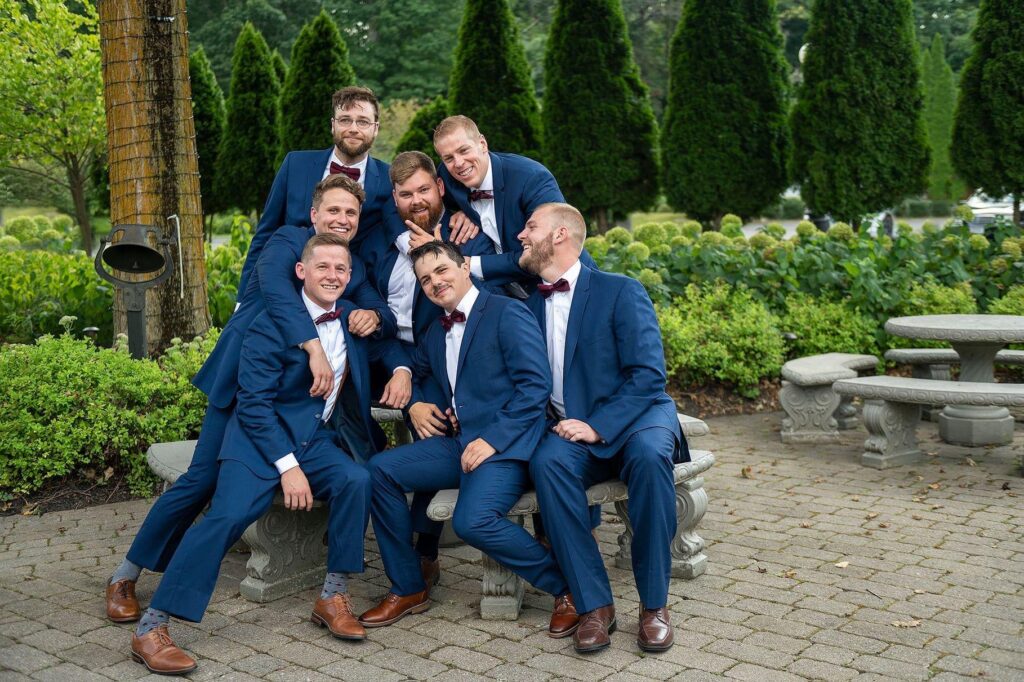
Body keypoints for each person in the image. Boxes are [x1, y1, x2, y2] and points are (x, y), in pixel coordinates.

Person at [105, 175, 400, 625]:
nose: (341, 219)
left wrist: (372, 314)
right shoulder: (288, 241)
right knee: (201, 480)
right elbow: (280, 296)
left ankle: (330, 592)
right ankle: (126, 575)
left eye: (350, 213)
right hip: (246, 383)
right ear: (314, 214)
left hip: (292, 399)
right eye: (333, 210)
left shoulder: (345, 265)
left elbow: (374, 305)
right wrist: (313, 346)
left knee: (344, 476)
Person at [359, 242, 579, 640]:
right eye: (426, 279)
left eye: (442, 270)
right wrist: (418, 403)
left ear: (464, 268)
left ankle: (567, 588)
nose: (435, 282)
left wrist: (492, 440)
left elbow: (535, 388)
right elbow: (423, 374)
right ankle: (408, 586)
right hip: (458, 442)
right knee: (379, 471)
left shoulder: (506, 312)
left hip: (506, 447)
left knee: (471, 521)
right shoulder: (435, 329)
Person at [519, 203, 689, 654]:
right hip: (570, 429)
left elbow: (649, 375)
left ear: (559, 236)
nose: (521, 235)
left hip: (636, 418)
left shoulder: (620, 291)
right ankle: (595, 604)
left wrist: (597, 426)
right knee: (548, 465)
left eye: (530, 227)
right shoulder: (527, 305)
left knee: (652, 459)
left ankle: (654, 605)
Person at [240, 86, 405, 296]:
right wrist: (242, 298)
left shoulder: (389, 179)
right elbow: (265, 232)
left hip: (349, 293)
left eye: (363, 121)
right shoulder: (295, 164)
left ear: (376, 128)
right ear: (333, 125)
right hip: (286, 284)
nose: (353, 128)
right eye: (345, 120)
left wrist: (462, 209)